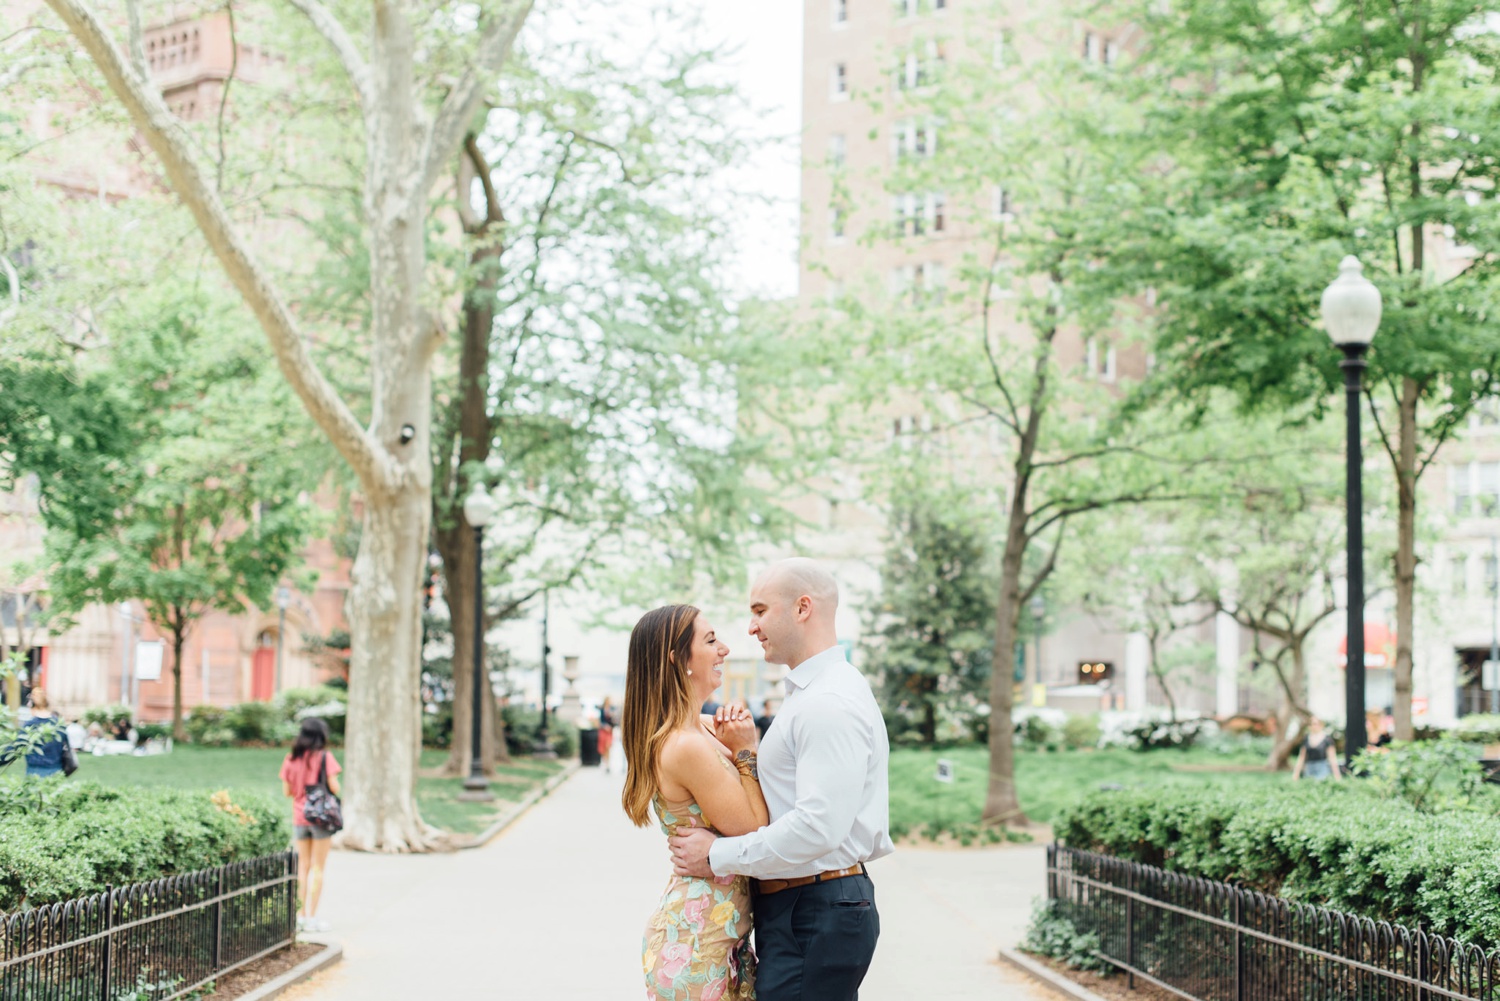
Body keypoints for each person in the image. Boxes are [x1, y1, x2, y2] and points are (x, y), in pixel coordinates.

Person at [670, 558, 893, 1001]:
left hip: (817, 907)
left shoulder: (828, 701)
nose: (751, 628)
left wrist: (716, 854)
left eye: (759, 610)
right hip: (805, 906)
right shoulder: (811, 693)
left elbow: (817, 828)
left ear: (803, 608)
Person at [623, 604, 766, 1001]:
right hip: (698, 943)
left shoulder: (701, 728)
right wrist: (745, 751)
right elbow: (755, 830)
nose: (724, 649)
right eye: (710, 640)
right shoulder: (685, 746)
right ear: (678, 659)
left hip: (717, 936)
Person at [280, 718, 341, 932]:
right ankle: (313, 917)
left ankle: (300, 916)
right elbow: (335, 786)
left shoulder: (290, 759)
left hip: (299, 817)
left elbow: (286, 791)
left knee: (302, 867)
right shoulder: (325, 757)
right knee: (318, 868)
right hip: (321, 819)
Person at [18, 689, 71, 778]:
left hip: (34, 771)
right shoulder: (58, 724)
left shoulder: (30, 725)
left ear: (32, 706)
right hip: (56, 770)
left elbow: (17, 746)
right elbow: (66, 747)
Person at [1291, 717, 1342, 781]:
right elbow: (1301, 758)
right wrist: (1296, 774)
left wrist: (1337, 776)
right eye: (1311, 724)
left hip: (1322, 768)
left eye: (1315, 724)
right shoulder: (1306, 739)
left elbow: (1332, 759)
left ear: (1321, 725)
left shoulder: (1327, 740)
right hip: (1309, 769)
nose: (1313, 726)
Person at [598, 696, 618, 772]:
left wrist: (612, 717)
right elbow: (600, 721)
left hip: (610, 731)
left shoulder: (612, 709)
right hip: (603, 731)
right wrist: (604, 726)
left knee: (608, 746)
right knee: (603, 747)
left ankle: (608, 764)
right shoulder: (602, 710)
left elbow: (614, 721)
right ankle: (606, 763)